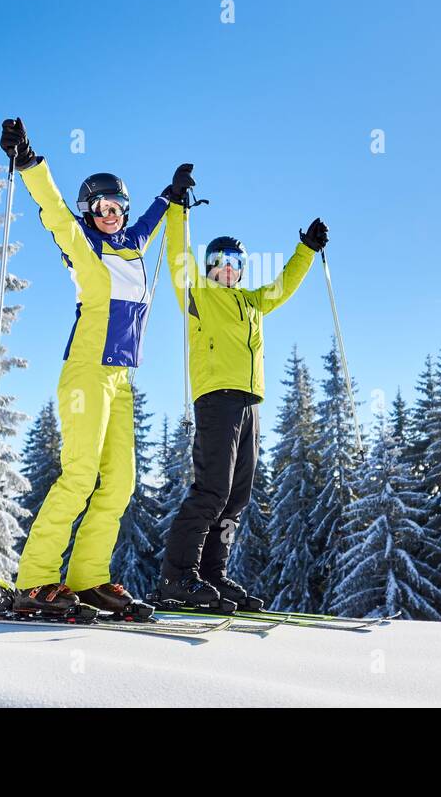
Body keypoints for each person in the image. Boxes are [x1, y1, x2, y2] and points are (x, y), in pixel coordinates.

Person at [0, 118, 193, 618]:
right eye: (100, 208)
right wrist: (29, 162)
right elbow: (55, 211)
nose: (109, 214)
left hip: (122, 378)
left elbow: (154, 216)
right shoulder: (83, 244)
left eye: (116, 207)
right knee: (80, 475)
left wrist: (171, 195)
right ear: (90, 212)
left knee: (121, 481)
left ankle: (87, 577)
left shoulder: (134, 245)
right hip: (86, 370)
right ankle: (35, 579)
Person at [157, 162, 328, 611]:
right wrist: (178, 207)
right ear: (210, 267)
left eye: (235, 264)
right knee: (211, 489)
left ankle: (212, 577)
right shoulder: (197, 293)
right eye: (220, 263)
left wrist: (306, 250)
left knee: (236, 496)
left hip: (249, 402)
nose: (227, 270)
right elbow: (178, 255)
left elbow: (284, 286)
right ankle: (178, 577)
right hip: (216, 399)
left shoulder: (253, 302)